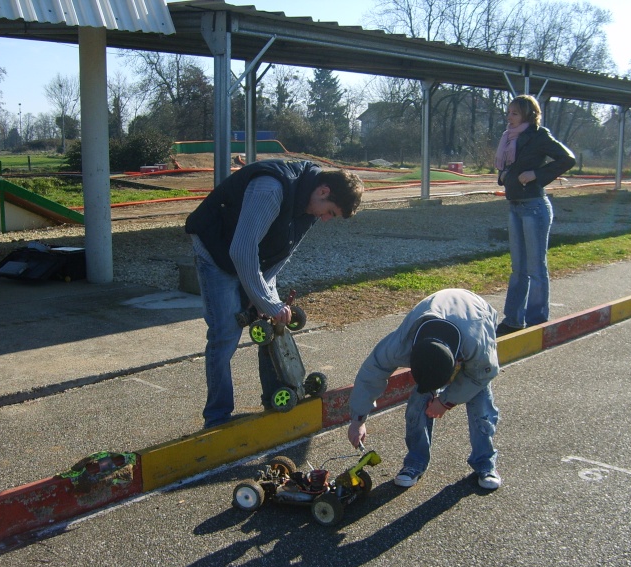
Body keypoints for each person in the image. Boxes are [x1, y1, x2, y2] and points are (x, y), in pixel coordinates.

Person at [185, 159, 363, 429]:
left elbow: (281, 254)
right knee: (225, 334)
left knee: (270, 323)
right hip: (216, 251)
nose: (326, 219)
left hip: (245, 253)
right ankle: (217, 418)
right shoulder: (271, 188)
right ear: (324, 191)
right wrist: (266, 300)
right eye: (330, 212)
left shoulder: (309, 205)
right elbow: (241, 251)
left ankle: (273, 400)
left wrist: (266, 299)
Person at [347, 288, 502, 490]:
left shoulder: (476, 342)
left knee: (481, 405)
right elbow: (371, 373)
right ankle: (415, 463)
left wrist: (446, 401)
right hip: (437, 327)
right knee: (417, 405)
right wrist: (358, 419)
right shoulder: (400, 344)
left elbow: (482, 374)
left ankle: (485, 464)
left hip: (475, 313)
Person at [494, 94, 575, 336]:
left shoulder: (539, 136)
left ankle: (537, 321)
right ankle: (513, 320)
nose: (509, 117)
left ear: (528, 115)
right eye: (508, 112)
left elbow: (567, 158)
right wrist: (504, 176)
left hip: (534, 207)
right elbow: (508, 166)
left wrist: (536, 175)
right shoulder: (508, 138)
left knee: (536, 268)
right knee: (518, 268)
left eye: (515, 113)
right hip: (515, 206)